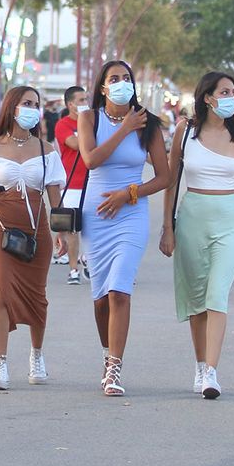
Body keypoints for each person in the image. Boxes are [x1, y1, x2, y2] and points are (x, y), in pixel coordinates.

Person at [160, 71, 234, 399]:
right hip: (193, 217)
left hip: (230, 219)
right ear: (207, 97)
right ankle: (200, 365)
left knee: (217, 294)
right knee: (197, 301)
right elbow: (171, 179)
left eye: (233, 92)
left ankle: (211, 371)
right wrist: (167, 228)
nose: (231, 97)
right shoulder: (186, 131)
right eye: (224, 92)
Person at [78, 60, 171, 397]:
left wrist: (129, 193)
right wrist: (123, 127)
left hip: (131, 212)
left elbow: (164, 176)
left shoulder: (149, 125)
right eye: (113, 79)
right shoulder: (89, 118)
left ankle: (115, 367)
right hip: (96, 213)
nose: (121, 83)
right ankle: (107, 354)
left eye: (126, 78)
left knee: (120, 290)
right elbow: (91, 160)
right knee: (101, 296)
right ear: (103, 88)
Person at [0, 86, 65, 391]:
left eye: (35, 104)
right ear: (12, 107)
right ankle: (0, 364)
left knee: (38, 295)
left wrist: (61, 230)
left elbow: (55, 198)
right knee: (0, 293)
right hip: (0, 226)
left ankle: (37, 356)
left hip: (36, 228)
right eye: (27, 103)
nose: (32, 109)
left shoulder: (47, 150)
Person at [52, 86, 90, 282]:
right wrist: (87, 127)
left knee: (93, 228)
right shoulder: (62, 125)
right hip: (72, 184)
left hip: (93, 183)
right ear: (70, 104)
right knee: (73, 229)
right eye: (81, 100)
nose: (85, 103)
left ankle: (87, 258)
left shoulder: (94, 122)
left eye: (86, 99)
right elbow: (75, 144)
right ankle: (73, 269)